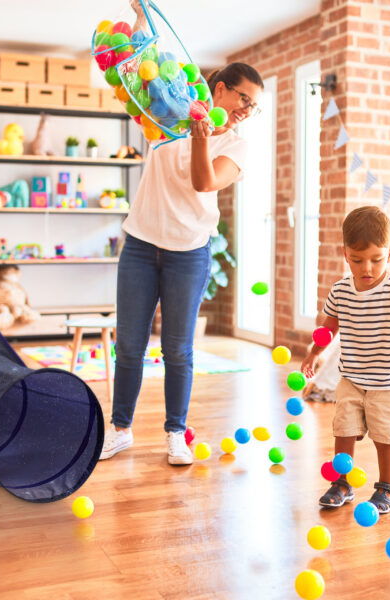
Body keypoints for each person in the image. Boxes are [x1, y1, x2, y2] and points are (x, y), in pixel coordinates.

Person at [98, 8, 264, 466]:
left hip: (188, 252)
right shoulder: (170, 110)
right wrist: (138, 12)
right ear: (220, 90)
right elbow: (143, 59)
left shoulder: (236, 144)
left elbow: (204, 183)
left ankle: (175, 433)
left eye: (254, 106)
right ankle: (121, 429)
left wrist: (202, 137)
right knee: (129, 344)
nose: (246, 111)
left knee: (177, 348)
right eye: (243, 98)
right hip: (140, 243)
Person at [301, 206, 390, 513]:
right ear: (345, 254)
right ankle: (342, 483)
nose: (367, 268)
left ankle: (387, 488)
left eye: (376, 260)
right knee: (343, 430)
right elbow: (328, 328)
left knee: (385, 435)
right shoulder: (341, 290)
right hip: (352, 378)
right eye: (357, 260)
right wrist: (314, 354)